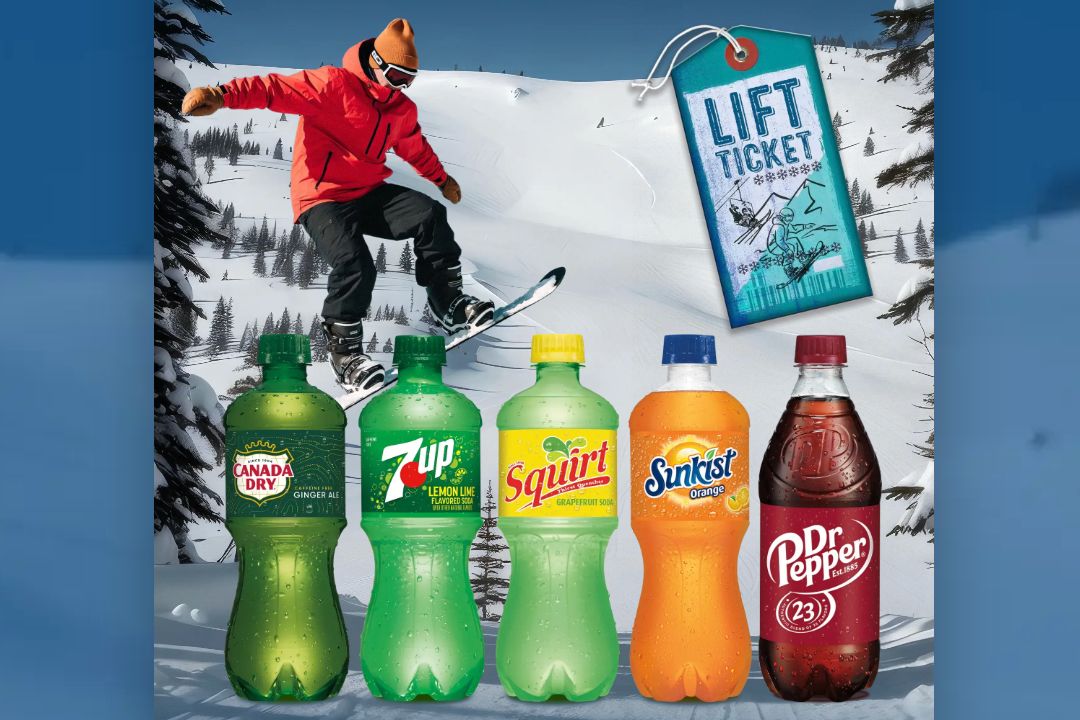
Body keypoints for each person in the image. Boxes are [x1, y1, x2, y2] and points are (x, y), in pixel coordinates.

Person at [181, 19, 494, 391]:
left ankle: (448, 302)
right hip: (321, 196)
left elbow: (415, 148)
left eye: (409, 80)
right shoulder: (332, 84)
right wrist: (220, 94)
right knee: (355, 265)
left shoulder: (400, 109)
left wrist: (441, 179)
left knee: (430, 214)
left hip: (367, 192)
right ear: (376, 63)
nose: (400, 86)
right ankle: (345, 355)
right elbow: (273, 89)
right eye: (396, 76)